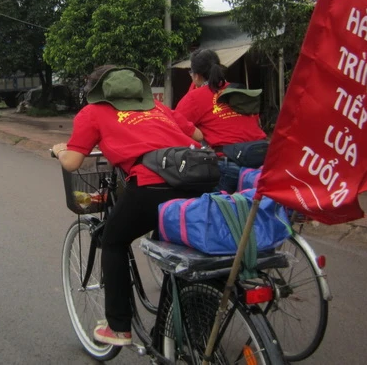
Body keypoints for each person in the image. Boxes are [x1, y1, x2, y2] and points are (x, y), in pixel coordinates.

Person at [52, 65, 202, 347]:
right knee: (181, 248)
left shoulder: (93, 112)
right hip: (197, 183)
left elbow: (72, 162)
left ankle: (118, 327)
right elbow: (196, 136)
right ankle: (191, 319)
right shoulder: (157, 107)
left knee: (112, 241)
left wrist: (59, 150)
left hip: (151, 186)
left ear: (95, 91)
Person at [174, 48, 267, 193]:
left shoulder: (193, 98)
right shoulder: (239, 90)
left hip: (228, 166)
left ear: (196, 75)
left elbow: (175, 128)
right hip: (262, 160)